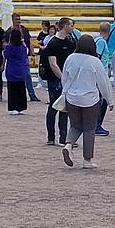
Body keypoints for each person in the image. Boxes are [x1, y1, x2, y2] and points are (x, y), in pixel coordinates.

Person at [58, 35, 115, 169]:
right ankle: (87, 160)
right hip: (90, 99)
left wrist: (65, 93)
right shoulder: (95, 61)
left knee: (75, 126)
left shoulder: (70, 58)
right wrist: (109, 100)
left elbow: (65, 78)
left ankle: (68, 145)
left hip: (72, 97)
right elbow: (103, 82)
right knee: (89, 129)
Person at [40, 17, 76, 146]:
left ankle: (63, 137)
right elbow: (53, 64)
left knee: (64, 109)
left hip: (65, 79)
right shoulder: (53, 43)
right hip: (55, 79)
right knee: (54, 107)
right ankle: (51, 137)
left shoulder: (70, 42)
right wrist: (62, 78)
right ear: (65, 26)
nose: (72, 27)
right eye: (71, 25)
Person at [4, 28, 31, 114]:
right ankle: (21, 107)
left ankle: (13, 107)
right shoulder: (23, 48)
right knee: (21, 89)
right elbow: (27, 51)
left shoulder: (9, 47)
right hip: (21, 70)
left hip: (12, 70)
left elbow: (5, 55)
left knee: (12, 90)